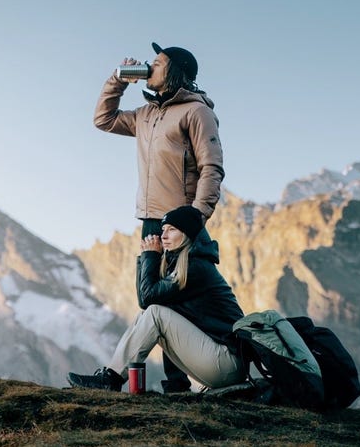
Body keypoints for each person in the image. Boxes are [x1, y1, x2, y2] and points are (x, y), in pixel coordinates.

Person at [93, 42, 225, 392]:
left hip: (182, 219)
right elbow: (103, 120)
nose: (151, 65)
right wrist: (117, 80)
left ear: (177, 71)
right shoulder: (146, 115)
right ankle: (174, 384)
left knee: (180, 293)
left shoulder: (196, 112)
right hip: (150, 217)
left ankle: (185, 380)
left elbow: (212, 167)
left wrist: (196, 216)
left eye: (158, 61)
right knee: (160, 295)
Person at [67, 205, 245, 392]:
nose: (164, 236)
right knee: (147, 314)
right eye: (163, 230)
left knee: (155, 314)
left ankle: (111, 380)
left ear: (187, 233)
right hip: (217, 361)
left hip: (228, 363)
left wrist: (149, 256)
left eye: (172, 229)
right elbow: (146, 299)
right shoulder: (182, 264)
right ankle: (112, 376)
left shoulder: (197, 267)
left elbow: (148, 298)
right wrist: (147, 258)